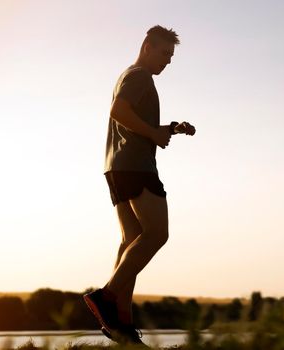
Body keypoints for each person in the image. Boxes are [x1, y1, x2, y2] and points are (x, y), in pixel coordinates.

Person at [83, 25, 195, 346]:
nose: (168, 61)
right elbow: (118, 111)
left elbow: (135, 124)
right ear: (147, 46)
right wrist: (153, 134)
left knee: (131, 240)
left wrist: (169, 129)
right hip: (136, 167)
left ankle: (122, 326)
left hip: (116, 167)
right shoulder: (140, 76)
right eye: (164, 53)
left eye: (171, 56)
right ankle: (106, 296)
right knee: (157, 234)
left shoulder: (128, 76)